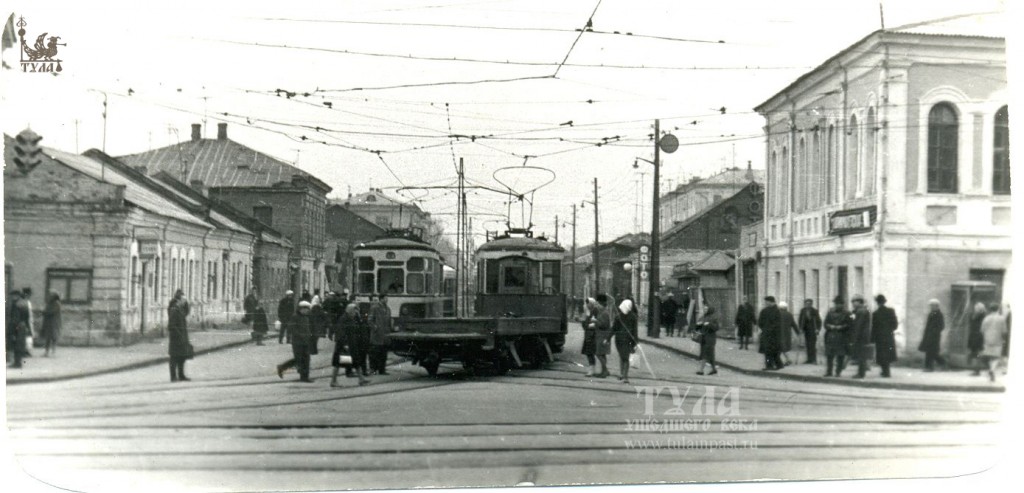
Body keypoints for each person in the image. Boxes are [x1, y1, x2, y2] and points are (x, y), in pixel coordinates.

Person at [276, 301, 315, 382]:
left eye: (308, 309)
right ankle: (282, 367)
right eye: (306, 309)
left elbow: (308, 328)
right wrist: (301, 335)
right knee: (299, 359)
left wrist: (309, 336)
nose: (307, 311)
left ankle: (304, 377)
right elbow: (291, 328)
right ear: (301, 309)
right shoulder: (295, 317)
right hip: (297, 342)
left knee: (306, 359)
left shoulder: (306, 317)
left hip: (305, 342)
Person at [167, 290, 193, 382]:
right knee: (174, 357)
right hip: (176, 337)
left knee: (182, 357)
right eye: (183, 299)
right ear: (179, 299)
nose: (185, 301)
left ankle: (181, 375)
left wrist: (187, 304)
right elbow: (171, 325)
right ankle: (173, 377)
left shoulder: (180, 308)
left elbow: (186, 312)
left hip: (181, 336)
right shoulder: (174, 309)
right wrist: (179, 335)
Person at [871, 294, 898, 378]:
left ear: (877, 303)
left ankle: (885, 371)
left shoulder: (875, 313)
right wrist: (889, 330)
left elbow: (874, 327)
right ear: (884, 302)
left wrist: (872, 338)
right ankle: (886, 371)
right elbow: (895, 325)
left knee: (881, 354)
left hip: (879, 337)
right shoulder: (891, 311)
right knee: (888, 354)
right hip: (889, 335)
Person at [823, 296, 851, 377]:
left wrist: (841, 327)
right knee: (829, 355)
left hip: (841, 336)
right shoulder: (830, 312)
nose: (837, 305)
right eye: (836, 303)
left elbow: (850, 324)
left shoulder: (847, 313)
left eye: (839, 304)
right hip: (831, 336)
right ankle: (829, 371)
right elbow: (825, 323)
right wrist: (830, 326)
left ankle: (838, 372)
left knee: (840, 355)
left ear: (843, 304)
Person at [613, 298, 639, 383]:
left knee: (625, 358)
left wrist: (635, 342)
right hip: (621, 340)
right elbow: (614, 328)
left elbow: (634, 330)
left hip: (625, 341)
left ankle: (624, 375)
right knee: (623, 357)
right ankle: (623, 374)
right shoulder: (625, 317)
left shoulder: (624, 317)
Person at [980, 303, 1007, 382]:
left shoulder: (986, 318)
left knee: (989, 356)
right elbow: (1004, 331)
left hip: (987, 340)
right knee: (996, 357)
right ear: (998, 309)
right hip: (998, 340)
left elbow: (982, 330)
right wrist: (1003, 339)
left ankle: (991, 370)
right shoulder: (1001, 318)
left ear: (990, 309)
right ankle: (992, 370)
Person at [919, 299, 947, 371]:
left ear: (936, 306)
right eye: (930, 305)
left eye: (932, 305)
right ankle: (940, 364)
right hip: (928, 335)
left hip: (934, 336)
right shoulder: (931, 314)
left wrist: (934, 332)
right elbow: (928, 325)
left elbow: (942, 326)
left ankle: (930, 367)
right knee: (930, 351)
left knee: (932, 352)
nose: (931, 307)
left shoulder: (939, 315)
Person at [591, 294, 615, 378]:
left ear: (601, 303)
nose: (597, 305)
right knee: (602, 354)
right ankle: (604, 371)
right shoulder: (603, 312)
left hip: (603, 336)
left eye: (598, 303)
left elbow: (604, 325)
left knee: (599, 354)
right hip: (601, 335)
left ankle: (605, 371)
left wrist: (595, 321)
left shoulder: (604, 313)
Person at [849, 295, 872, 379]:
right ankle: (861, 372)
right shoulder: (862, 310)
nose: (853, 304)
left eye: (854, 302)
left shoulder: (861, 311)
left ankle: (861, 373)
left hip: (860, 336)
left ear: (859, 302)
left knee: (861, 355)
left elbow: (858, 325)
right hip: (863, 336)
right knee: (862, 355)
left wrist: (854, 338)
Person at [369, 294, 393, 375]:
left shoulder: (388, 309)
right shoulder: (375, 308)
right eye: (385, 298)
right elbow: (370, 320)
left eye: (387, 298)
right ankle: (373, 369)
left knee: (383, 353)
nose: (387, 299)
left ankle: (382, 370)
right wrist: (375, 328)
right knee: (375, 352)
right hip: (377, 334)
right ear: (381, 299)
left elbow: (389, 321)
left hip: (385, 334)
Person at [757, 296, 783, 371]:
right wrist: (766, 329)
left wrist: (767, 329)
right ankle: (775, 365)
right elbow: (760, 322)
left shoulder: (776, 311)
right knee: (768, 350)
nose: (765, 303)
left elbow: (777, 323)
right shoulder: (767, 310)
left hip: (773, 334)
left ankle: (774, 365)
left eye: (767, 301)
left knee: (772, 350)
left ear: (771, 301)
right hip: (769, 334)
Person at [7, 290, 29, 369]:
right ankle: (18, 362)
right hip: (23, 325)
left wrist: (12, 330)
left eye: (13, 295)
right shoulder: (24, 303)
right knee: (20, 344)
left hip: (17, 326)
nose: (12, 297)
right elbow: (27, 317)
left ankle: (17, 363)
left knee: (16, 344)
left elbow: (15, 318)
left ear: (16, 295)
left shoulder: (16, 304)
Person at [696, 305, 720, 376]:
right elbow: (697, 327)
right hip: (703, 338)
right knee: (710, 355)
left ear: (710, 310)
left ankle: (701, 370)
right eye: (704, 309)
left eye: (706, 309)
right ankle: (714, 369)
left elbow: (716, 328)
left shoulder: (714, 318)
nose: (704, 310)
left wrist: (709, 324)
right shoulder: (702, 317)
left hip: (710, 339)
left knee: (705, 354)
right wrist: (698, 325)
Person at [798, 299, 822, 364]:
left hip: (813, 330)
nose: (808, 305)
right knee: (808, 345)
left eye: (809, 304)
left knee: (812, 345)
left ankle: (814, 359)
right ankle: (809, 359)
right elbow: (800, 320)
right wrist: (800, 328)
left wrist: (818, 329)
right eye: (806, 304)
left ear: (811, 304)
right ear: (805, 304)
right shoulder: (803, 311)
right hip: (806, 330)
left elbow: (819, 321)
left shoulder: (815, 311)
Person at [967, 301, 987, 376]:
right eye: (975, 308)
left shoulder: (982, 317)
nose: (975, 309)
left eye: (976, 308)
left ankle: (977, 370)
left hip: (978, 336)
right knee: (975, 353)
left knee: (977, 354)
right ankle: (976, 369)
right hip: (974, 336)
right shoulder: (975, 316)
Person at [41, 291, 62, 357]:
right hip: (48, 323)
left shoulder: (57, 303)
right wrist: (44, 311)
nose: (49, 296)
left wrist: (44, 312)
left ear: (54, 296)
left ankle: (53, 352)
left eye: (50, 295)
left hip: (54, 323)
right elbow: (45, 311)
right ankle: (46, 352)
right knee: (47, 338)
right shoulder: (48, 303)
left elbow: (51, 312)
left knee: (54, 337)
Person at [581, 297, 599, 377]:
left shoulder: (595, 311)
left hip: (592, 335)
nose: (587, 305)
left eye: (588, 303)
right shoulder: (588, 312)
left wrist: (588, 324)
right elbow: (585, 325)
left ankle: (592, 370)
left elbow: (595, 322)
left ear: (591, 304)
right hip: (588, 335)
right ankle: (592, 369)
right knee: (589, 353)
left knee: (590, 352)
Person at [778, 302, 797, 366]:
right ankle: (786, 360)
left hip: (779, 333)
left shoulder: (777, 314)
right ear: (786, 308)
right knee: (783, 348)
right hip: (787, 333)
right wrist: (798, 332)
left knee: (780, 348)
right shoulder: (789, 314)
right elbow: (793, 324)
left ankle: (788, 360)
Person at [21, 287, 34, 357]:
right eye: (28, 294)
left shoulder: (27, 302)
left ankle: (27, 350)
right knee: (27, 336)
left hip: (29, 320)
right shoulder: (25, 302)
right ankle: (25, 351)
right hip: (26, 321)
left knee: (28, 336)